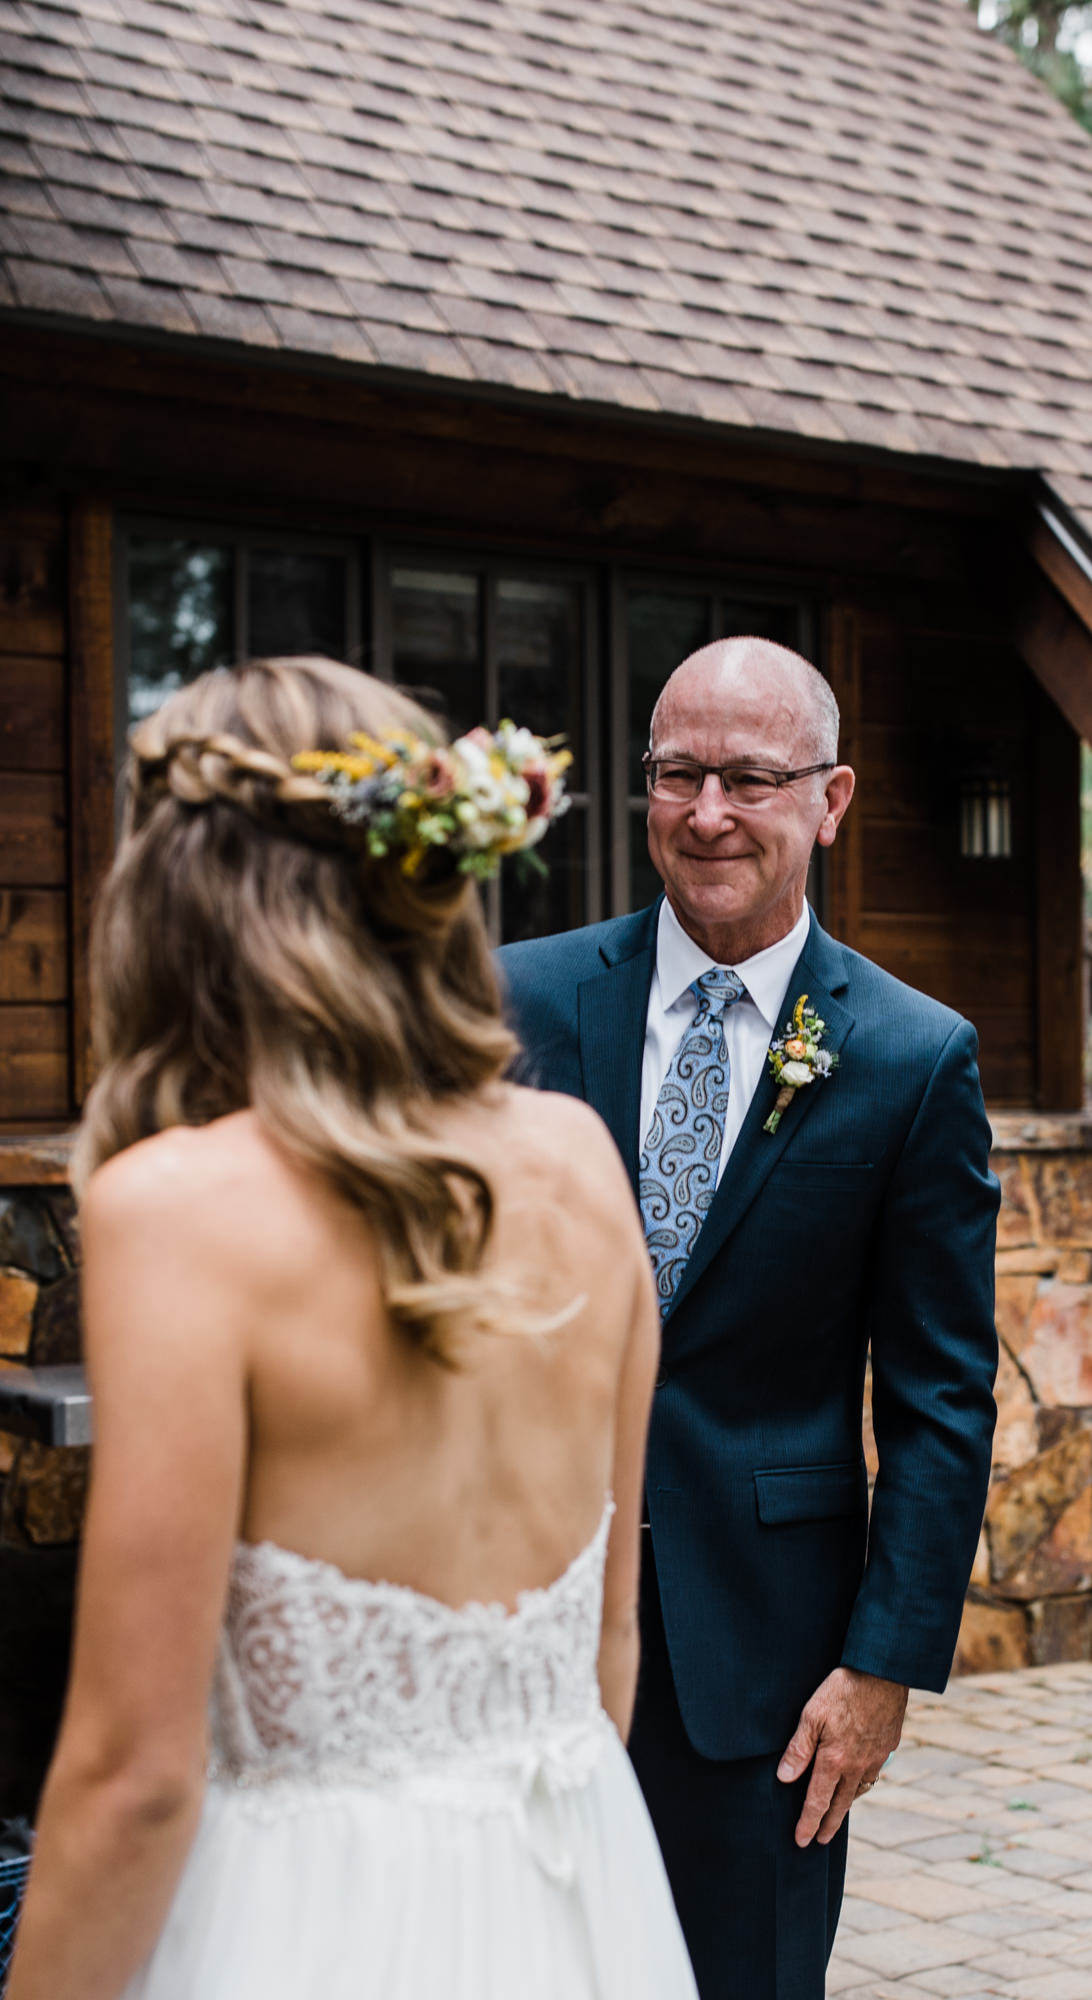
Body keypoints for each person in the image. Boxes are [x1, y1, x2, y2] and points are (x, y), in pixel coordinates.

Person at [7, 656, 698, 2000]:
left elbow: (134, 1779)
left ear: (181, 897)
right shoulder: (577, 1157)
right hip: (573, 1896)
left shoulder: (177, 1208)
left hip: (304, 1927)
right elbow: (607, 1661)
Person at [497, 637, 1000, 2000]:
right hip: (510, 1625)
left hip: (762, 1661)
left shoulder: (908, 1055)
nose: (706, 811)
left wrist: (881, 1668)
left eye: (748, 778)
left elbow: (942, 1396)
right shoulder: (512, 1004)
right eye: (677, 774)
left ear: (829, 800)